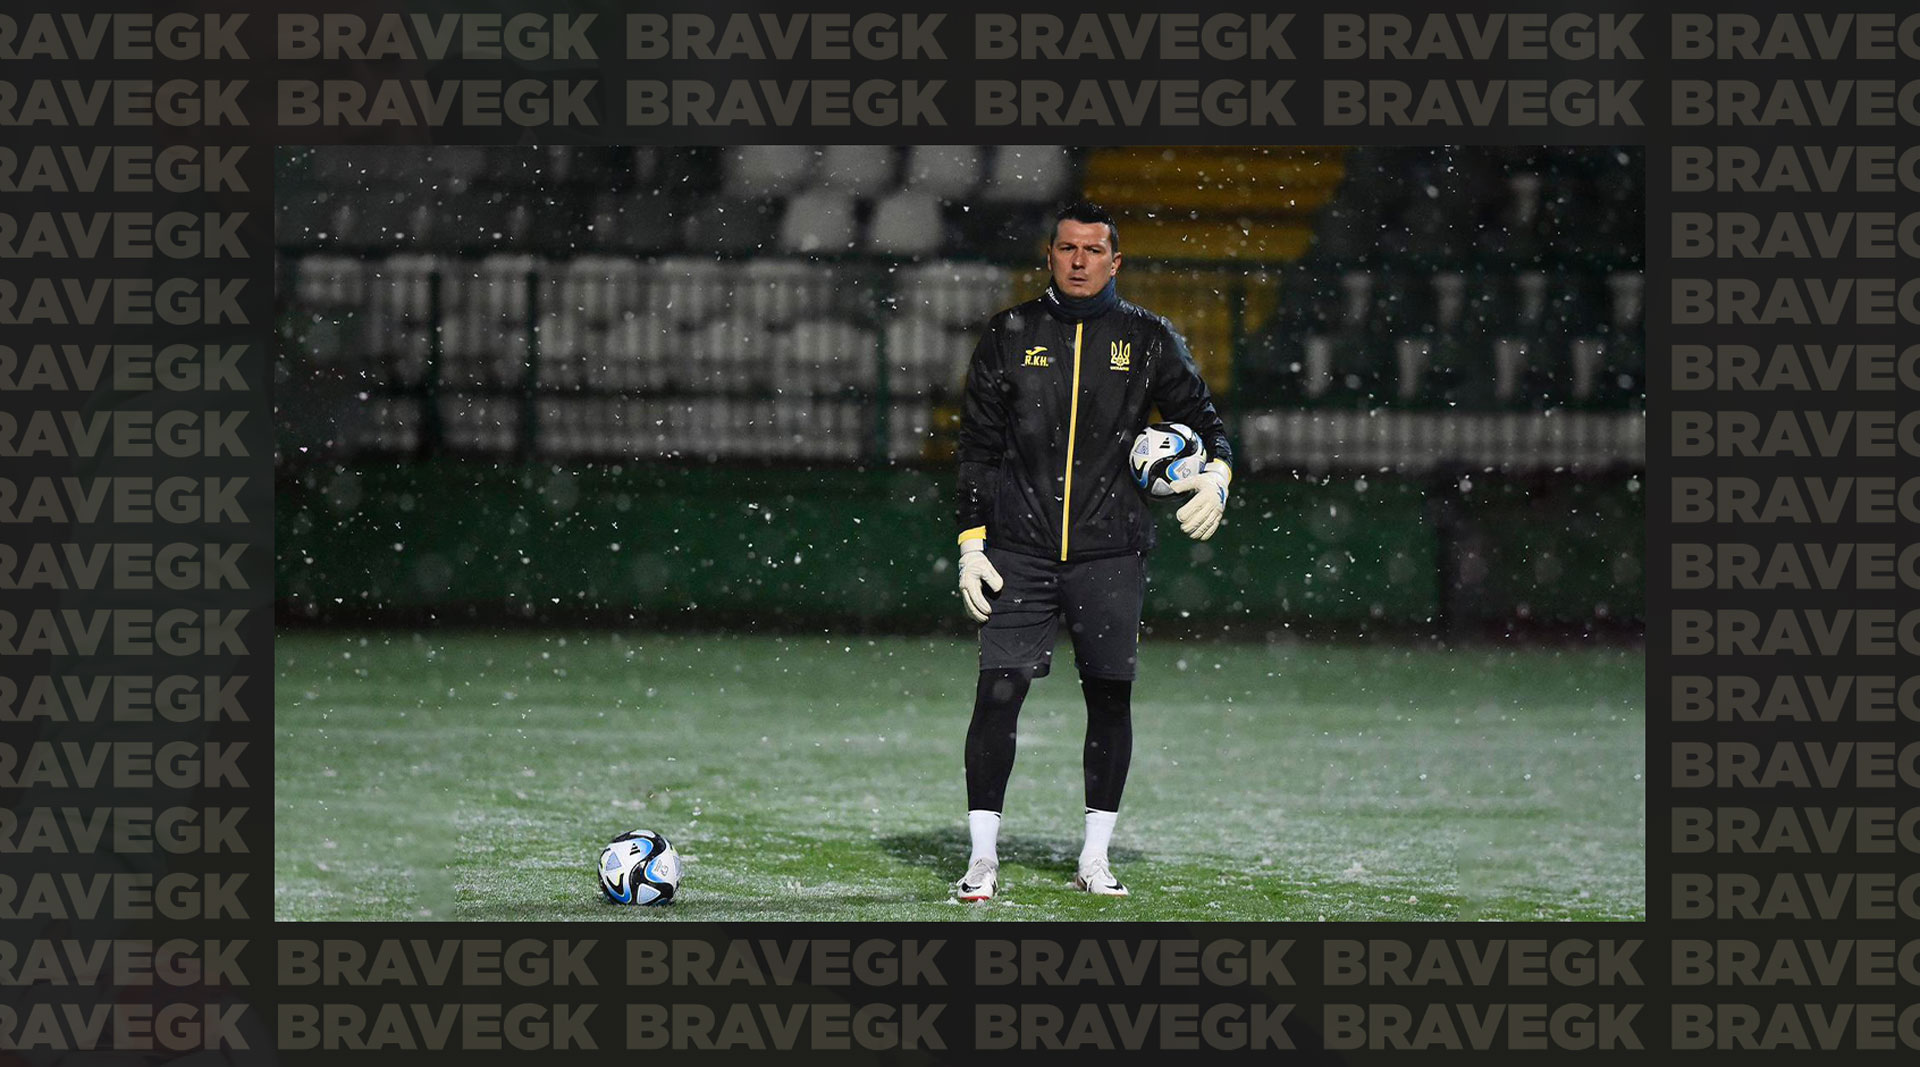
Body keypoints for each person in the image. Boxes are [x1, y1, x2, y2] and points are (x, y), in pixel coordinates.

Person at [951, 201, 1234, 901]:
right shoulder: (1009, 333)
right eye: (1068, 248)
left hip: (1112, 552)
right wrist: (970, 542)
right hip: (1018, 549)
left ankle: (1094, 858)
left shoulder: (1146, 338)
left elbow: (1208, 425)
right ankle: (982, 858)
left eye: (1093, 249)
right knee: (998, 694)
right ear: (1049, 254)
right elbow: (977, 451)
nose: (1080, 260)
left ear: (1116, 260)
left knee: (1109, 697)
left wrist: (1219, 476)